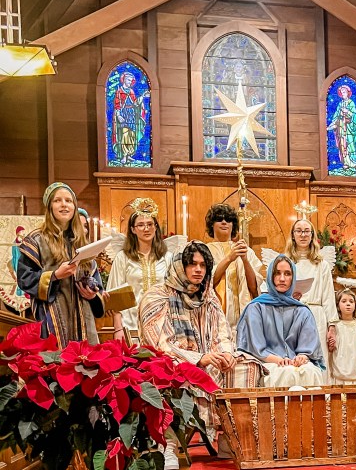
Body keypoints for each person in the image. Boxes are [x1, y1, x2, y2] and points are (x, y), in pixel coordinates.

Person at [138, 242, 263, 452]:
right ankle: (168, 443)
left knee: (247, 366)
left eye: (203, 265)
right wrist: (198, 358)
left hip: (207, 359)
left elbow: (222, 331)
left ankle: (230, 438)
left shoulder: (208, 295)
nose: (198, 270)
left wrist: (226, 354)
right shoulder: (157, 296)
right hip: (173, 360)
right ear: (181, 266)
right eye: (192, 264)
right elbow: (160, 345)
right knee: (169, 370)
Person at [16, 182, 106, 346]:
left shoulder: (81, 241)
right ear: (49, 206)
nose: (64, 204)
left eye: (68, 200)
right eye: (58, 200)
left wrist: (93, 294)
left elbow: (97, 284)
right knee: (56, 358)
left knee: (86, 359)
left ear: (74, 206)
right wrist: (55, 275)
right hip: (52, 317)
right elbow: (25, 279)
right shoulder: (36, 240)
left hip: (84, 321)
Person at [237, 254, 325, 389]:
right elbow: (255, 347)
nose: (282, 279)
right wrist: (280, 360)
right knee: (286, 373)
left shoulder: (302, 311)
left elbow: (308, 345)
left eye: (287, 274)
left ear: (293, 278)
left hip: (295, 363)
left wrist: (302, 356)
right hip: (267, 362)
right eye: (277, 273)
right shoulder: (256, 308)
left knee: (311, 372)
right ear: (270, 277)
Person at [264, 219, 338, 372]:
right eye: (298, 231)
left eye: (306, 231)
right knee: (293, 359)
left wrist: (332, 326)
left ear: (312, 235)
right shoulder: (285, 263)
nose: (303, 235)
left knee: (317, 360)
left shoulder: (321, 264)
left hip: (316, 316)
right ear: (293, 235)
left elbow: (328, 297)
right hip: (291, 313)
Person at [106, 199, 182, 345]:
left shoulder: (167, 258)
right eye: (140, 225)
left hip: (162, 325)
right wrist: (118, 328)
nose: (146, 229)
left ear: (156, 227)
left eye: (150, 224)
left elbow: (174, 293)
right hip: (131, 324)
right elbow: (115, 295)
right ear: (133, 229)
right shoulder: (123, 258)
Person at [205, 202, 262, 334]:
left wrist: (245, 260)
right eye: (219, 219)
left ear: (233, 225)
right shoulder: (205, 250)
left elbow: (254, 288)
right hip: (215, 318)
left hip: (242, 319)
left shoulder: (245, 251)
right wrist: (229, 258)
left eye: (228, 219)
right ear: (212, 224)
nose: (224, 222)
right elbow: (207, 282)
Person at [327, 83, 356, 175]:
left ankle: (354, 164)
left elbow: (355, 117)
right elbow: (336, 116)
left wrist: (347, 112)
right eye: (342, 92)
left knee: (350, 146)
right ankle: (345, 164)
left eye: (344, 92)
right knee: (342, 146)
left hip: (349, 130)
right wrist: (333, 124)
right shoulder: (340, 104)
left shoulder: (351, 103)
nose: (343, 94)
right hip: (341, 128)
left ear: (348, 93)